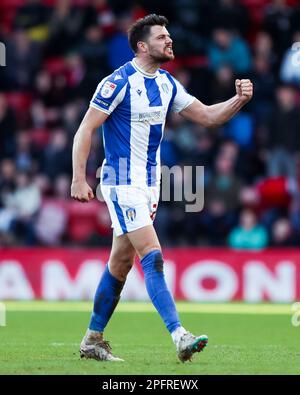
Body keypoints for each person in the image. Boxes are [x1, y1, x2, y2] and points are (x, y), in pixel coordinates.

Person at [71, 14, 253, 363]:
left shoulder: (168, 84)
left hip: (151, 185)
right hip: (121, 181)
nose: (169, 41)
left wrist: (238, 101)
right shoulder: (117, 82)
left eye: (169, 36)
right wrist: (79, 178)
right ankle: (179, 335)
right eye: (162, 37)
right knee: (152, 257)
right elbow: (85, 130)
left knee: (120, 264)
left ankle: (92, 340)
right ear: (142, 46)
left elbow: (209, 117)